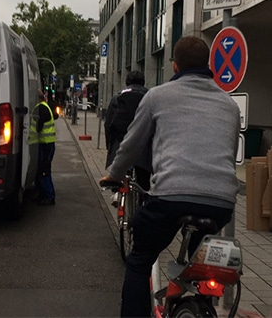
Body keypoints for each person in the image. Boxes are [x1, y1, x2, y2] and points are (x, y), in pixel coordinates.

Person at [99, 36, 240, 317]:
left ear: (175, 66)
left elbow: (131, 145)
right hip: (221, 203)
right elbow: (228, 150)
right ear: (209, 65)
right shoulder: (229, 105)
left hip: (171, 197)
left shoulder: (158, 96)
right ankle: (200, 305)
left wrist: (113, 174)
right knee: (201, 265)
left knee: (139, 261)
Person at [104, 71, 148, 206]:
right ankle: (143, 203)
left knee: (122, 169)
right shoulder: (149, 96)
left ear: (127, 82)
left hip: (121, 141)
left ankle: (118, 193)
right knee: (143, 181)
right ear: (143, 82)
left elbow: (108, 124)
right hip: (143, 145)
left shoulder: (117, 97)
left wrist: (110, 146)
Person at [30, 89, 57, 206]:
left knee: (44, 171)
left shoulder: (40, 108)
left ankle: (49, 196)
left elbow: (38, 128)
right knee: (42, 170)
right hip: (47, 144)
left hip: (45, 144)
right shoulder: (45, 106)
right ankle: (42, 194)